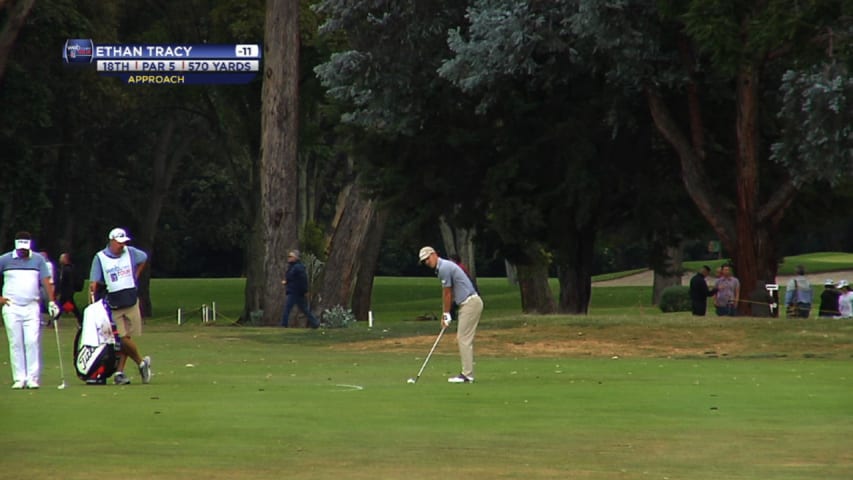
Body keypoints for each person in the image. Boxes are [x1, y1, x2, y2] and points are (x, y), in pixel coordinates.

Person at [89, 228, 151, 385]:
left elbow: (144, 258)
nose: (122, 246)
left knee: (127, 338)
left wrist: (135, 275)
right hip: (114, 302)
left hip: (130, 299)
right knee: (122, 338)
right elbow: (94, 282)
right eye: (119, 243)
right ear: (111, 241)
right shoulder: (101, 257)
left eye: (124, 242)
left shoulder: (130, 252)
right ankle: (142, 363)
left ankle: (119, 373)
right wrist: (92, 303)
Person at [0, 232, 59, 389]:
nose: (23, 252)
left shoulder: (38, 259)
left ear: (29, 245)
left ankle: (32, 378)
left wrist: (52, 301)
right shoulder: (5, 259)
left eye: (25, 249)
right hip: (11, 306)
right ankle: (19, 378)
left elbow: (46, 281)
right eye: (20, 249)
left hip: (31, 305)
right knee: (16, 342)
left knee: (31, 341)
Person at [419, 246, 483, 384]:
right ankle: (467, 373)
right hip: (467, 303)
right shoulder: (444, 267)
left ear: (434, 254)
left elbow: (447, 293)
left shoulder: (444, 268)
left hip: (470, 303)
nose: (427, 262)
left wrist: (446, 314)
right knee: (464, 338)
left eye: (427, 258)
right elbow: (452, 292)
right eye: (424, 261)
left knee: (463, 339)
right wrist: (448, 313)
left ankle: (467, 375)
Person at [279, 249, 320, 328]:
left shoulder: (297, 268)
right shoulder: (293, 267)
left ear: (295, 258)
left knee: (287, 308)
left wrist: (304, 290)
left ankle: (284, 324)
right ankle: (315, 323)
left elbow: (302, 280)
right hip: (297, 292)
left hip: (295, 292)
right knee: (304, 309)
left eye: (291, 256)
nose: (289, 258)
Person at [57, 252, 83, 326]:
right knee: (65, 307)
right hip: (67, 292)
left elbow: (68, 282)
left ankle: (54, 320)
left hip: (66, 293)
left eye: (61, 258)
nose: (60, 260)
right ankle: (80, 320)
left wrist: (65, 292)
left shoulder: (67, 269)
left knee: (64, 307)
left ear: (65, 259)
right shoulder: (66, 268)